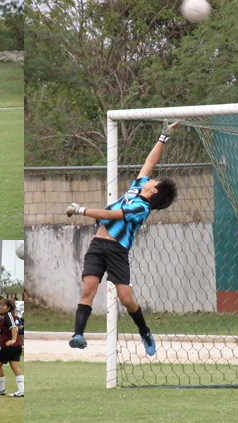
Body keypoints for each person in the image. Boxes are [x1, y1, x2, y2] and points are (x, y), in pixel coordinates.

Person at [66, 119, 180, 355]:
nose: (151, 178)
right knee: (88, 290)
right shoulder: (137, 188)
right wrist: (163, 137)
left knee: (126, 299)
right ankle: (78, 335)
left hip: (117, 251)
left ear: (154, 190)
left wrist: (80, 210)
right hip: (97, 245)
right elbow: (150, 162)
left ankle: (144, 331)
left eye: (155, 181)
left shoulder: (141, 208)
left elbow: (109, 214)